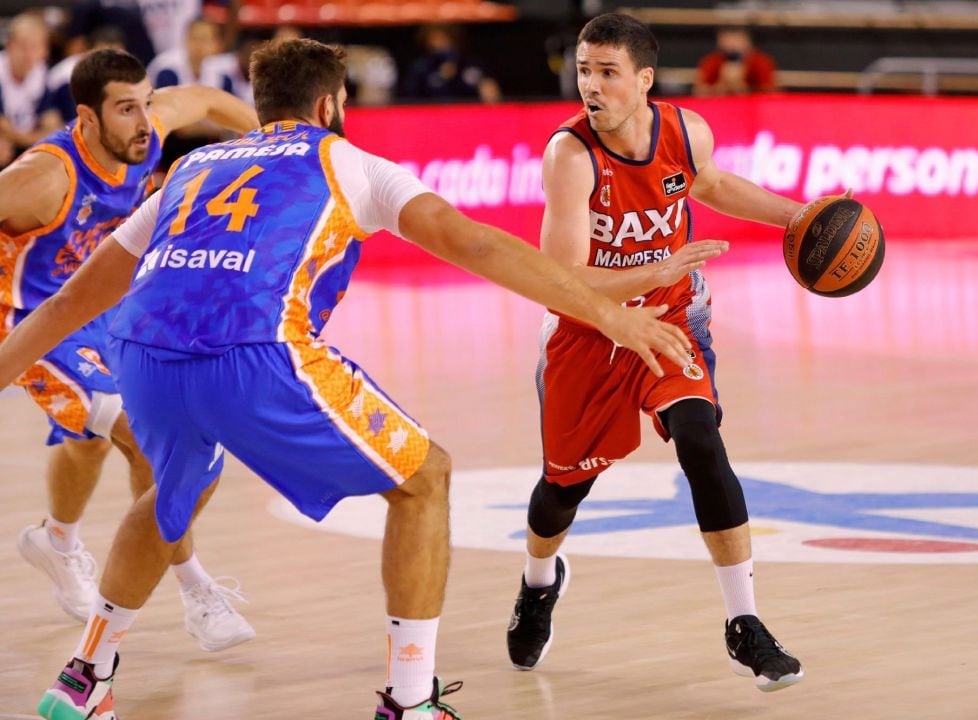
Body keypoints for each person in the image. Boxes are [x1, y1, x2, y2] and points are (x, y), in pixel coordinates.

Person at [0, 38, 694, 720]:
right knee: (426, 480)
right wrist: (610, 316)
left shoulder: (192, 166)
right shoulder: (349, 161)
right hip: (252, 352)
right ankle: (410, 700)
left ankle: (86, 679)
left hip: (144, 357)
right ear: (331, 103)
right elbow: (476, 243)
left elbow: (65, 306)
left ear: (260, 104)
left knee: (170, 493)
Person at [505, 13, 807, 693]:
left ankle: (745, 623)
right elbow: (562, 279)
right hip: (589, 328)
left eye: (607, 72)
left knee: (701, 440)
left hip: (672, 318)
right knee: (561, 493)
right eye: (584, 70)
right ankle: (538, 579)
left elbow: (711, 184)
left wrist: (799, 215)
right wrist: (656, 269)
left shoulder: (685, 130)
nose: (591, 85)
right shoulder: (570, 155)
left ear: (643, 79)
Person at [0, 47, 260, 651]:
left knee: (88, 437)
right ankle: (196, 591)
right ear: (86, 119)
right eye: (125, 109)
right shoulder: (43, 176)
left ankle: (57, 542)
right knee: (139, 431)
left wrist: (288, 139)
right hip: (32, 320)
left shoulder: (147, 126)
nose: (144, 121)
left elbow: (210, 100)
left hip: (105, 310)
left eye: (145, 102)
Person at [402, 24, 500, 104]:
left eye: (446, 40)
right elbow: (410, 98)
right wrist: (442, 78)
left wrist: (487, 87)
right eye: (436, 40)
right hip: (431, 117)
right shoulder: (421, 68)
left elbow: (487, 89)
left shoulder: (469, 64)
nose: (441, 45)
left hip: (468, 115)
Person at [0, 12, 50, 164]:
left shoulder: (43, 75)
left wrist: (19, 138)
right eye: (22, 46)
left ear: (45, 51)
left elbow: (52, 126)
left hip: (22, 146)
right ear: (9, 45)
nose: (28, 54)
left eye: (35, 47)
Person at [694, 26, 776, 96]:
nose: (733, 45)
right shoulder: (711, 61)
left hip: (753, 108)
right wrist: (720, 87)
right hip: (719, 106)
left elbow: (770, 92)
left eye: (737, 40)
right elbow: (699, 92)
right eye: (728, 40)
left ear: (748, 42)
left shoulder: (760, 61)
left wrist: (744, 89)